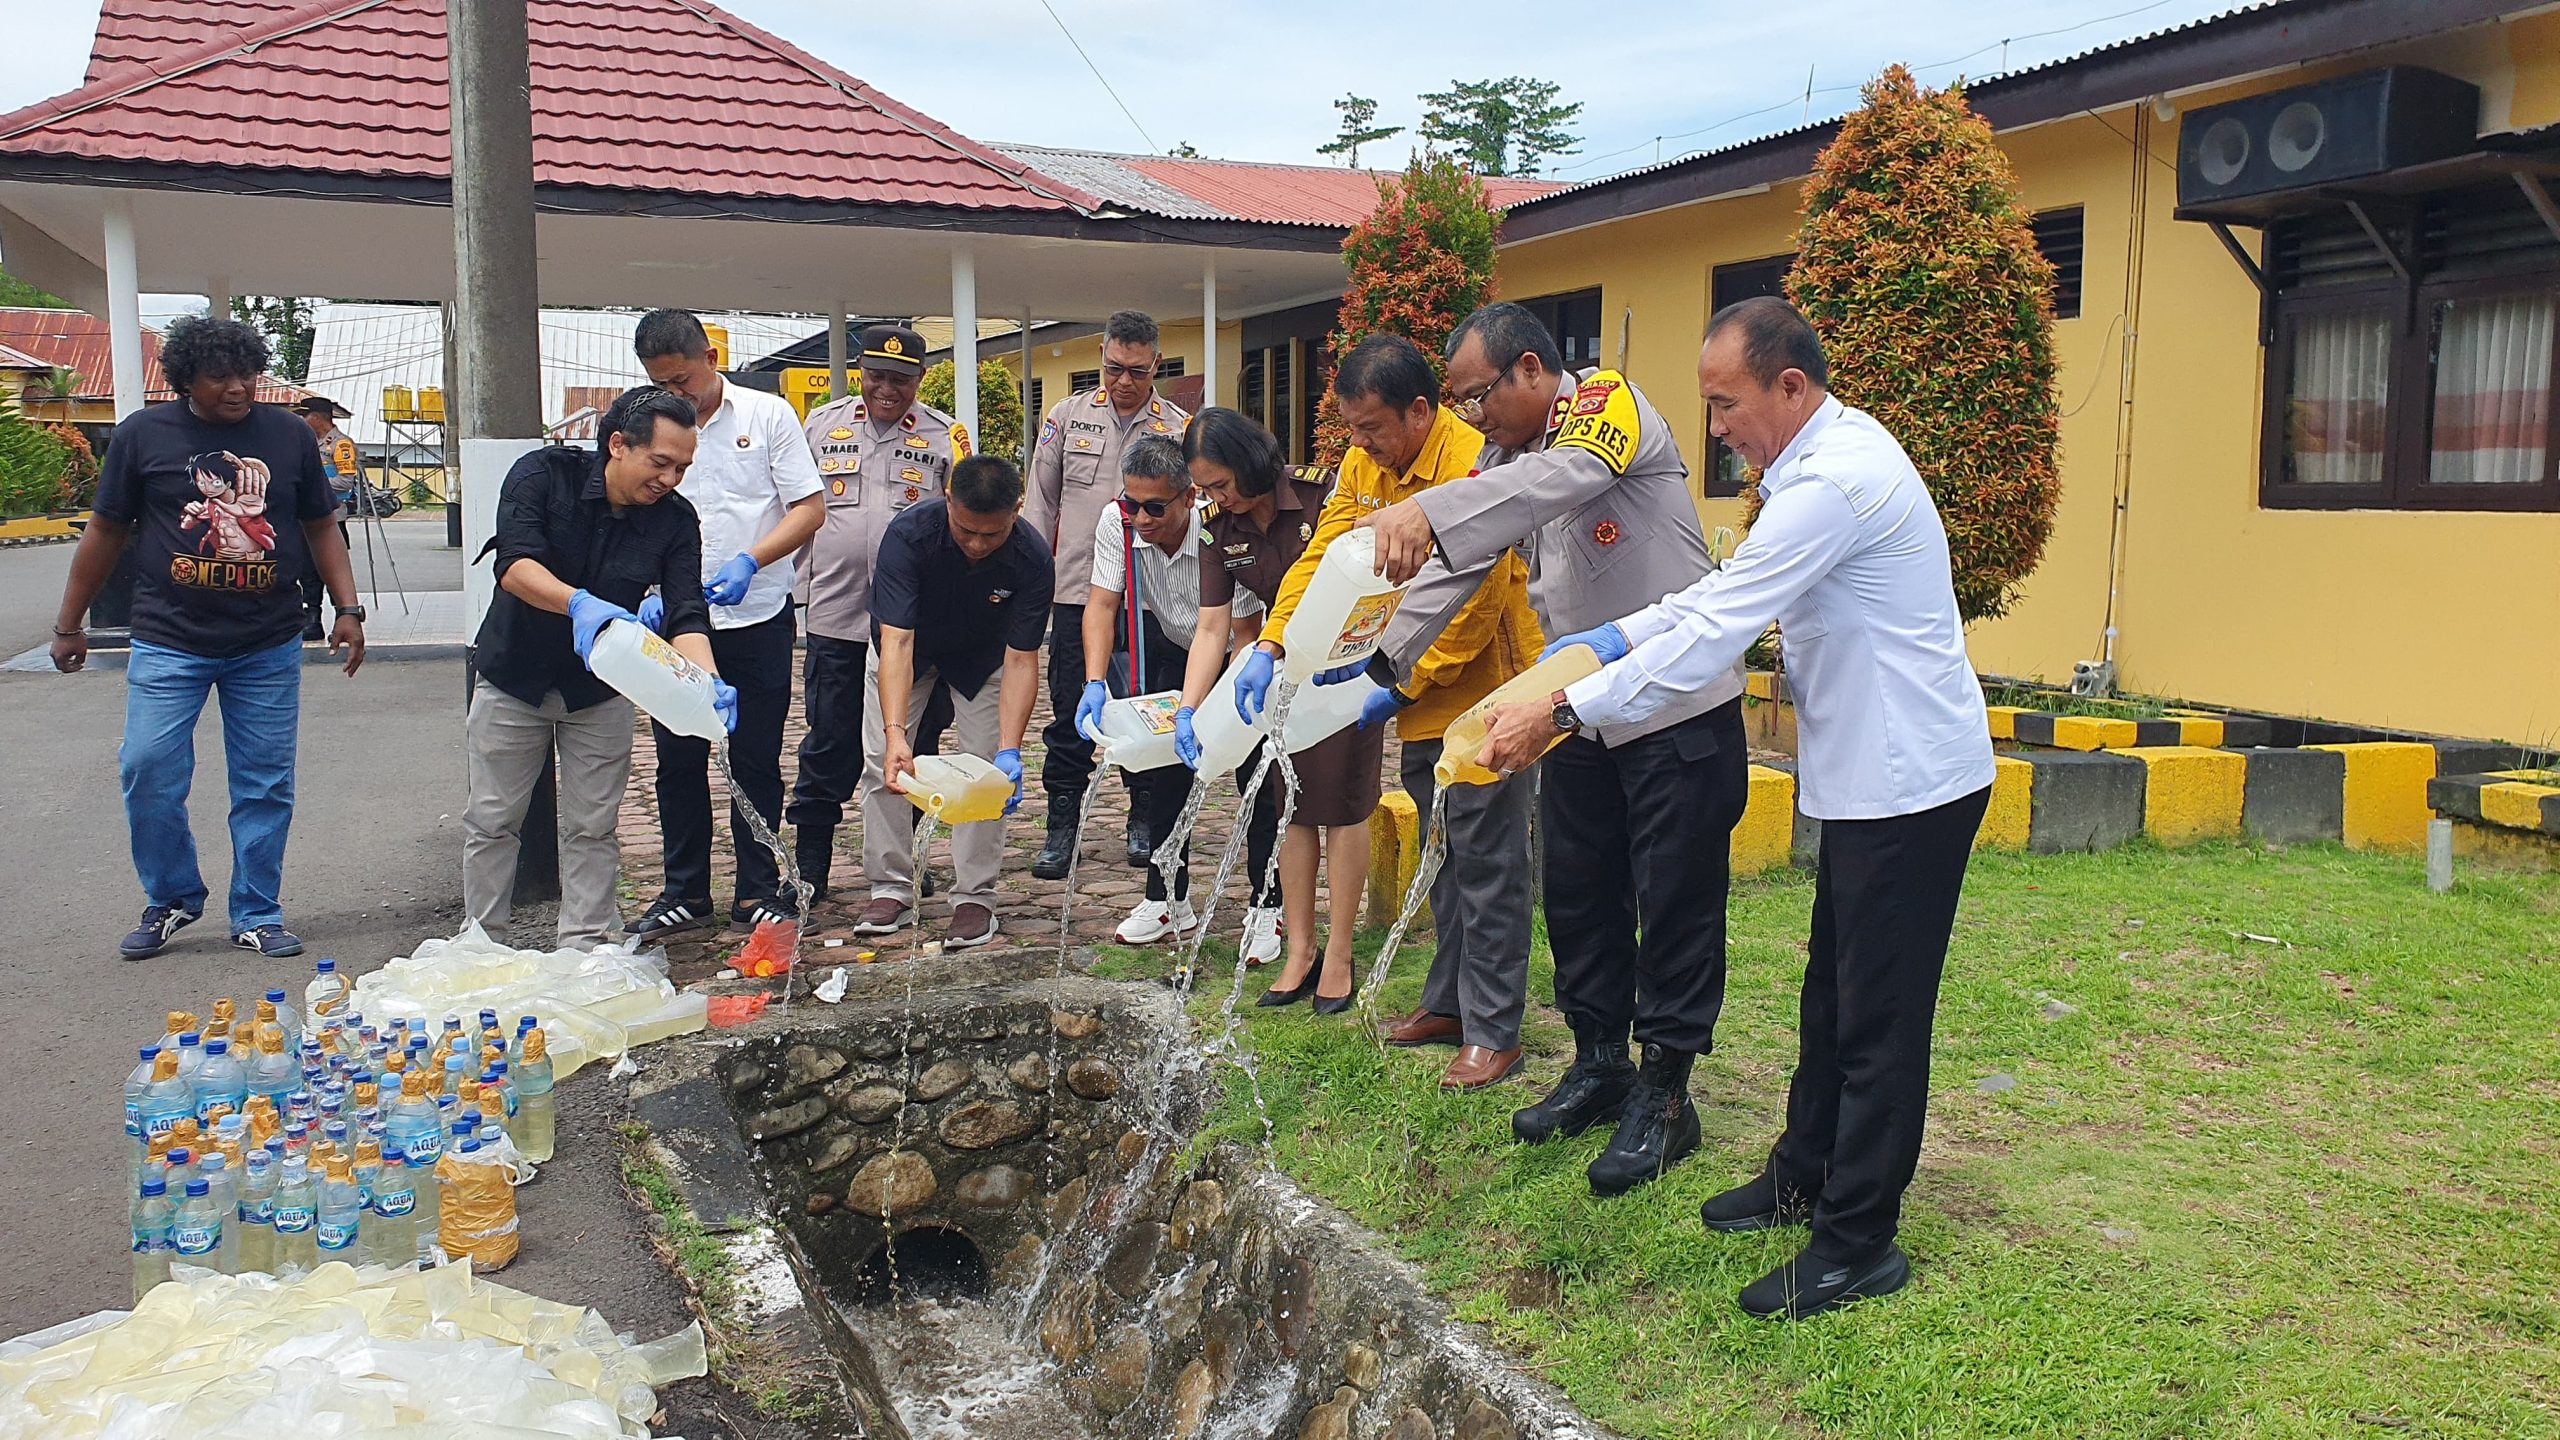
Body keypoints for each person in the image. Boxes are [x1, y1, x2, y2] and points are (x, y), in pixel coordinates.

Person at [1474, 298, 1997, 1319]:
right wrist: (1599, 652)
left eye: (1725, 403)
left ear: (1789, 387)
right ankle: (1802, 1175)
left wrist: (1568, 710)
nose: (1713, 426)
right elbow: (1704, 598)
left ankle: (1857, 1241)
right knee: (1830, 997)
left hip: (1913, 785)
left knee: (1878, 1021)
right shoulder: (1809, 467)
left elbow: (1718, 625)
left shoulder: (1835, 483)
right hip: (1864, 780)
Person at [1352, 302, 1746, 1195]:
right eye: (1461, 403)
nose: (1474, 418)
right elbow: (1463, 558)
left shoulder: (1603, 405)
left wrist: (1429, 506)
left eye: (1479, 395)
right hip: (1576, 712)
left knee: (1675, 905)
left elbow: (1556, 484)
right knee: (1579, 896)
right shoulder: (1502, 463)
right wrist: (1385, 663)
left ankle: (1667, 1095)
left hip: (1675, 707)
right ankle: (1601, 1062)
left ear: (1533, 369)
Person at [49, 315, 366, 961]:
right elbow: (106, 532)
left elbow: (319, 526)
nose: (237, 388)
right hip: (169, 640)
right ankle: (170, 898)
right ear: (186, 378)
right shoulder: (144, 435)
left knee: (265, 783)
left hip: (267, 642)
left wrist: (348, 608)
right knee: (147, 767)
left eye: (246, 374)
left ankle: (256, 911)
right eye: (219, 377)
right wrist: (69, 624)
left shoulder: (286, 435)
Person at [1287, 335, 1542, 1089]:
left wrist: (1402, 679)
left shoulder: (1475, 462)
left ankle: (1495, 1030)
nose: (1359, 444)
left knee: (1491, 861)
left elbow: (1477, 596)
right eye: (1353, 430)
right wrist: (1277, 645)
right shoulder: (1367, 465)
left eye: (1371, 427)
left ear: (1421, 411)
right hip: (1413, 692)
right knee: (1444, 852)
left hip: (1488, 695)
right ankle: (1449, 1005)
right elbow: (1321, 554)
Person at [463, 386, 734, 950]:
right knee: (493, 819)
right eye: (660, 463)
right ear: (617, 444)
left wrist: (706, 679)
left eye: (682, 468)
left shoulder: (676, 520)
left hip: (602, 688)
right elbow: (514, 565)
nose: (670, 480)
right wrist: (577, 602)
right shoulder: (541, 475)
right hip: (515, 673)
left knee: (592, 826)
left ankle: (585, 947)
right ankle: (481, 945)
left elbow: (686, 610)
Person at [626, 309, 824, 939]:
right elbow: (632, 507)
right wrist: (646, 591)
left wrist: (752, 559)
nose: (675, 395)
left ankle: (758, 888)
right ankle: (684, 889)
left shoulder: (769, 416)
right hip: (675, 623)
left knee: (756, 756)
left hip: (757, 612)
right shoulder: (647, 422)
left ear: (711, 358)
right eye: (662, 385)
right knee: (677, 759)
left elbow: (809, 509)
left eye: (682, 380)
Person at [1174, 409, 1374, 1015]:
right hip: (1279, 671)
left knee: (1341, 805)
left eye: (1221, 483)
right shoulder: (1215, 527)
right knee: (1288, 807)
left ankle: (1339, 952)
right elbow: (1212, 626)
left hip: (1347, 666)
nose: (1215, 497)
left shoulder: (1321, 492)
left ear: (1252, 462)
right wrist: (1190, 709)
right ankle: (1301, 948)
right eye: (1205, 488)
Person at [1070, 435, 1283, 958]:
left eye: (1155, 507)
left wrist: (1215, 709)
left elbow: (1240, 628)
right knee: (1164, 778)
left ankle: (1267, 906)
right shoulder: (1116, 523)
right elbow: (1101, 604)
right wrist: (1094, 680)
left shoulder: (1222, 525)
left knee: (1254, 778)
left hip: (1241, 657)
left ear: (1189, 497)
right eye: (1131, 503)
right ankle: (1167, 899)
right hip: (1172, 646)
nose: (1140, 518)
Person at [788, 325, 971, 903]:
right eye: (877, 376)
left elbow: (965, 528)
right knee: (829, 743)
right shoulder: (821, 425)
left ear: (920, 379)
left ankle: (905, 863)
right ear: (859, 374)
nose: (886, 388)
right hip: (838, 617)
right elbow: (796, 508)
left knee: (915, 747)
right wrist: (797, 594)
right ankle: (810, 871)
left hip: (916, 628)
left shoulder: (947, 438)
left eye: (900, 378)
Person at [850, 456, 1051, 949]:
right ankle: (891, 885)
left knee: (987, 773)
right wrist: (897, 735)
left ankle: (975, 898)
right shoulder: (908, 535)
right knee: (884, 763)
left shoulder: (1033, 556)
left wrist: (1010, 747)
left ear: (1016, 511)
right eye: (966, 531)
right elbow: (896, 641)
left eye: (992, 534)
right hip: (909, 648)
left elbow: (1023, 659)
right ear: (947, 502)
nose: (978, 544)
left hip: (984, 657)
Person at [1025, 310, 1191, 880]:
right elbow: (1039, 505)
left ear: (1156, 364)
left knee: (1145, 707)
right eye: (1115, 368)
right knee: (1073, 711)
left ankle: (1144, 817)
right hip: (1078, 591)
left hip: (1152, 600)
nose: (1125, 381)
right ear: (1102, 356)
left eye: (1139, 371)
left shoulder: (1177, 426)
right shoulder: (1067, 418)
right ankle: (1061, 827)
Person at [293, 396, 360, 640]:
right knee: (307, 572)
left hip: (332, 519)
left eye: (305, 415)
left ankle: (344, 617)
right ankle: (312, 618)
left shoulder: (340, 445)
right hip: (306, 518)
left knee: (331, 570)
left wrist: (311, 486)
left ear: (318, 417)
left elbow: (345, 483)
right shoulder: (307, 444)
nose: (301, 420)